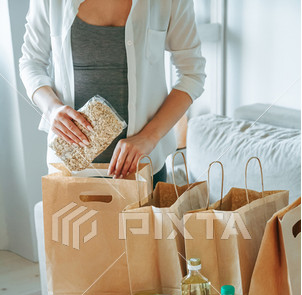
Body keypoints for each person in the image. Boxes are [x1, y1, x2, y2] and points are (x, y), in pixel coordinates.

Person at [19, 0, 206, 184]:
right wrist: (52, 108)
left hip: (143, 168)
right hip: (69, 171)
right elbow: (31, 62)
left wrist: (149, 137)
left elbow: (192, 74)